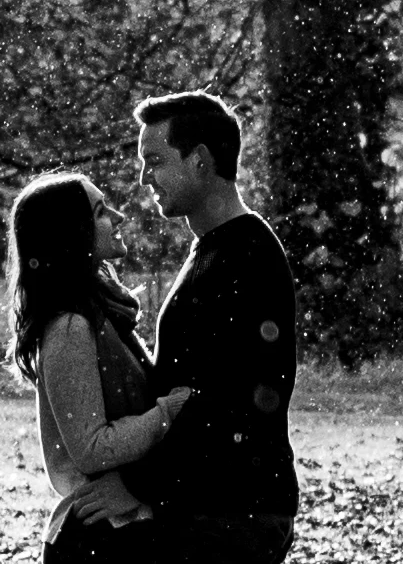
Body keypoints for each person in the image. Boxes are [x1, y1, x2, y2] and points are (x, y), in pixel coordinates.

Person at [130, 91, 299, 563]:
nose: (145, 178)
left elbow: (231, 399)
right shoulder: (216, 249)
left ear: (200, 161)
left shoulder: (246, 256)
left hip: (232, 511)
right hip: (215, 505)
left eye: (155, 160)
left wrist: (138, 490)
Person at [5, 172, 191, 563]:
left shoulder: (101, 312)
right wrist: (167, 414)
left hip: (120, 527)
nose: (119, 217)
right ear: (71, 233)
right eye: (100, 212)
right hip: (96, 538)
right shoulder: (70, 326)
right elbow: (91, 449)